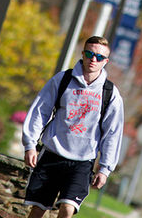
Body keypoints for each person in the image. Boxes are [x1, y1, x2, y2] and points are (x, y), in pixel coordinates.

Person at [22, 36, 124, 217]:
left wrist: (105, 169)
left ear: (105, 61)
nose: (94, 59)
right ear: (83, 54)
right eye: (89, 54)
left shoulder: (110, 93)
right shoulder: (62, 80)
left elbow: (113, 133)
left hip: (83, 161)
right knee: (38, 209)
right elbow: (40, 110)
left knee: (68, 209)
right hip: (52, 154)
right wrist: (30, 145)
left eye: (99, 57)